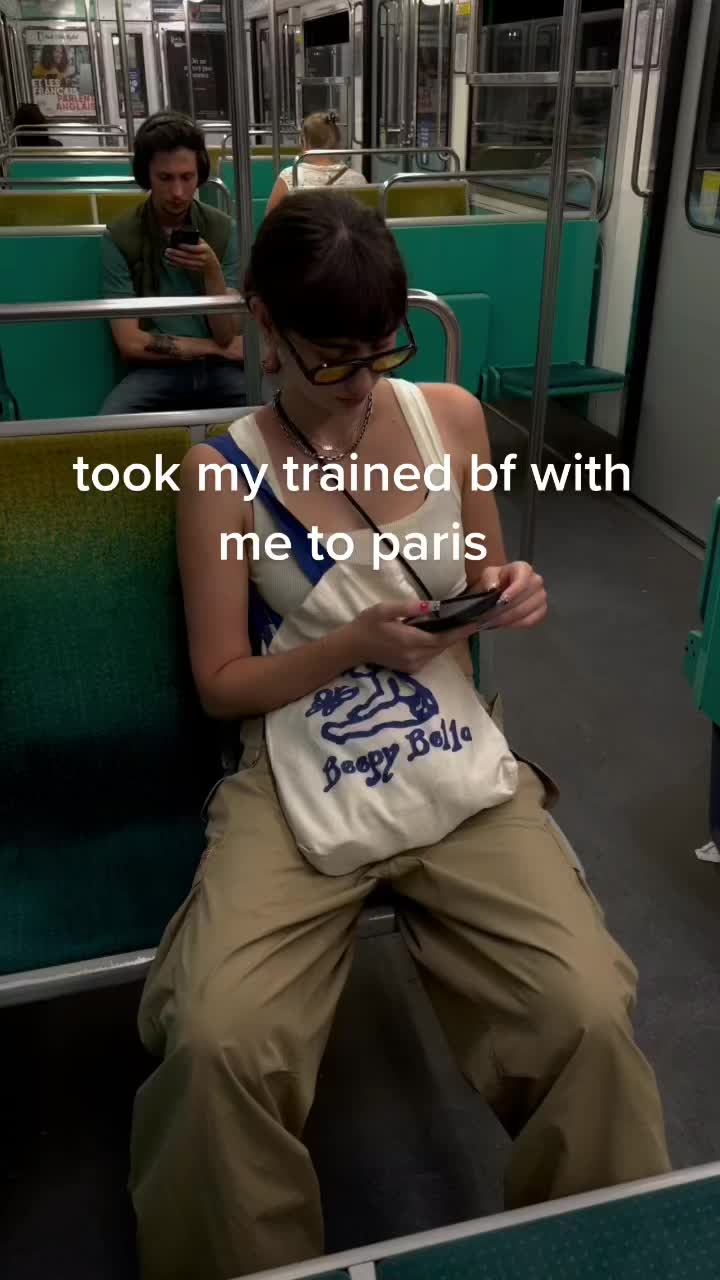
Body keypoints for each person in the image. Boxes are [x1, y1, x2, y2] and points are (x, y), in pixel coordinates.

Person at [129, 191, 671, 1280]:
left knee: (586, 1012)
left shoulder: (450, 419)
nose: (359, 381)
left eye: (380, 349)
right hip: (298, 765)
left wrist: (508, 591)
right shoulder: (219, 476)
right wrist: (349, 646)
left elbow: (480, 576)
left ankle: (604, 1251)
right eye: (330, 356)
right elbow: (223, 683)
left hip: (447, 748)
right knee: (219, 1040)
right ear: (264, 323)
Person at [100, 111, 245, 415]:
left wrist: (212, 272)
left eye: (187, 177)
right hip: (156, 370)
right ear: (146, 176)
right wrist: (212, 348)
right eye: (165, 178)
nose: (178, 193)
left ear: (199, 175)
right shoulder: (120, 237)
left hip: (220, 371)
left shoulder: (222, 230)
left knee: (282, 415)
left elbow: (226, 334)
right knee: (108, 425)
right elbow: (129, 342)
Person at [266, 110, 367, 213]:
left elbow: (270, 218)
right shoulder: (358, 179)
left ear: (305, 142)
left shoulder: (290, 176)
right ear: (337, 142)